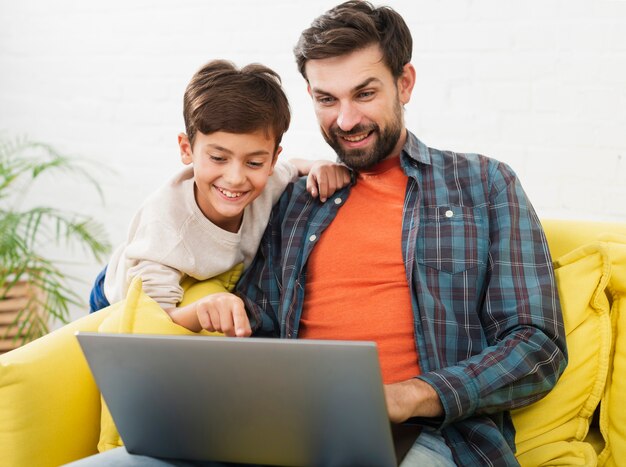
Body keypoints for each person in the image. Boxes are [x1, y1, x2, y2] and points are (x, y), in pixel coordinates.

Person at [69, 2, 567, 466]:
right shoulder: (297, 198)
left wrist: (410, 394)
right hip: (278, 427)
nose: (346, 120)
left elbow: (536, 346)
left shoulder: (481, 184)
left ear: (405, 82)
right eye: (327, 99)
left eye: (365, 93)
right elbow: (257, 317)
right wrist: (214, 323)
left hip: (424, 435)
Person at [88, 59, 350, 336]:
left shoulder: (270, 182)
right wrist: (204, 309)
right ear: (186, 149)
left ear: (272, 160)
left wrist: (320, 165)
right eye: (218, 158)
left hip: (194, 281)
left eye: (254, 163)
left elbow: (295, 166)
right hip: (123, 292)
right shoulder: (165, 226)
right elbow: (154, 317)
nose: (235, 178)